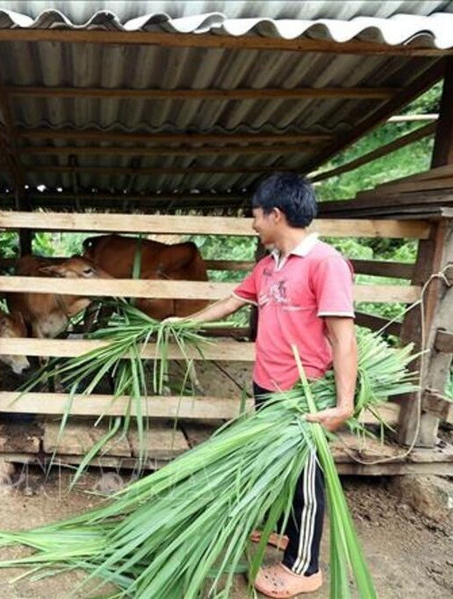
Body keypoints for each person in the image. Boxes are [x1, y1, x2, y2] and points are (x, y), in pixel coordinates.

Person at [168, 173, 358, 598]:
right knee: (286, 472)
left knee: (308, 480)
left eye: (256, 216)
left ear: (276, 214)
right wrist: (185, 322)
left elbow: (344, 337)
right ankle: (287, 535)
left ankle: (304, 566)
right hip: (267, 386)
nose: (253, 225)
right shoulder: (268, 265)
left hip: (303, 395)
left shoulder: (326, 263)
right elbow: (233, 300)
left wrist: (344, 402)